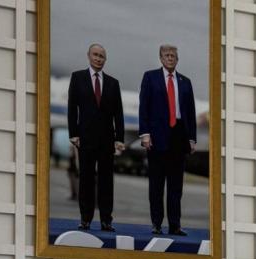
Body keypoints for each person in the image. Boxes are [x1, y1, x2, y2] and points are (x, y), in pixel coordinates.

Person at [139, 44, 197, 236]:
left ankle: (175, 225)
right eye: (167, 55)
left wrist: (192, 138)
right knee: (156, 185)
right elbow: (144, 108)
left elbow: (190, 112)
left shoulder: (185, 82)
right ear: (161, 58)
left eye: (173, 55)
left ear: (177, 59)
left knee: (176, 186)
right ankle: (156, 223)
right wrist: (145, 133)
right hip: (157, 137)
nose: (170, 58)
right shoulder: (150, 77)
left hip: (179, 138)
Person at [67, 44, 126, 232]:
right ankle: (85, 219)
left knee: (106, 182)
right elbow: (72, 107)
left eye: (102, 56)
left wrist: (120, 138)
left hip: (107, 140)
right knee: (86, 180)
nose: (98, 59)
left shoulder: (113, 83)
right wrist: (73, 133)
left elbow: (119, 113)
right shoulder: (77, 78)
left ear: (105, 60)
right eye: (96, 55)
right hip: (85, 138)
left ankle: (106, 220)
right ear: (89, 56)